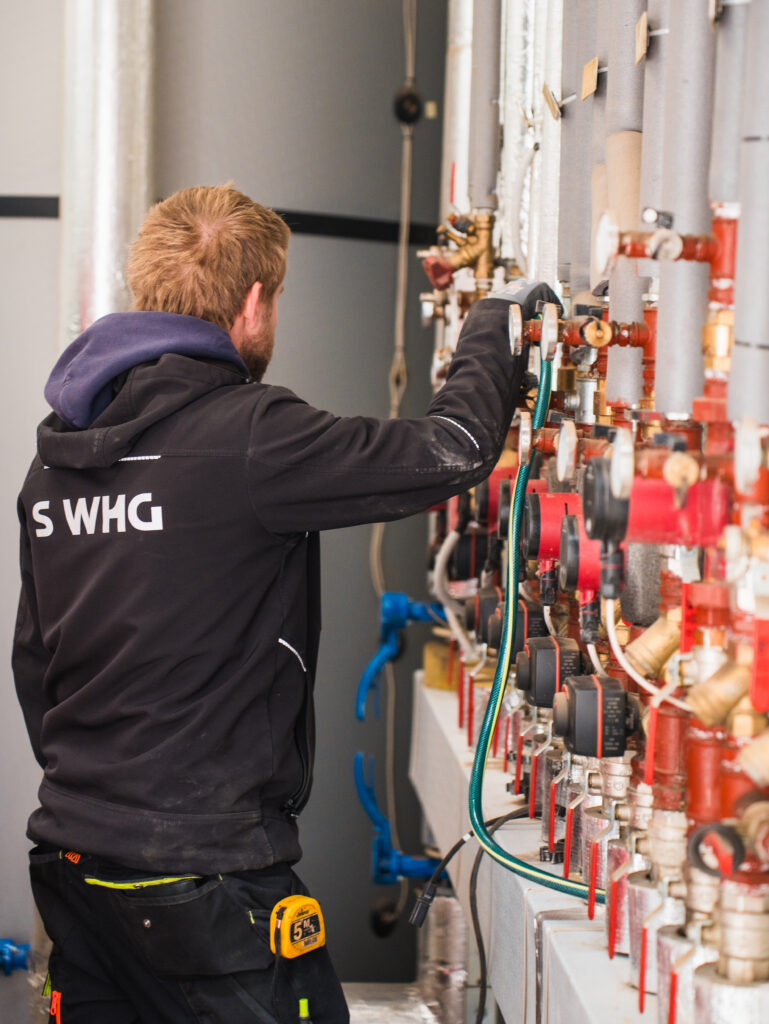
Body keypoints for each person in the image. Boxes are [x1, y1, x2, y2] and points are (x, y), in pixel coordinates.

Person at [13, 183, 557, 1023]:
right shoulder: (250, 435)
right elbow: (449, 450)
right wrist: (496, 321)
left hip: (75, 864)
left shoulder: (54, 462)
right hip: (206, 879)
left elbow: (35, 662)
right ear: (253, 302)